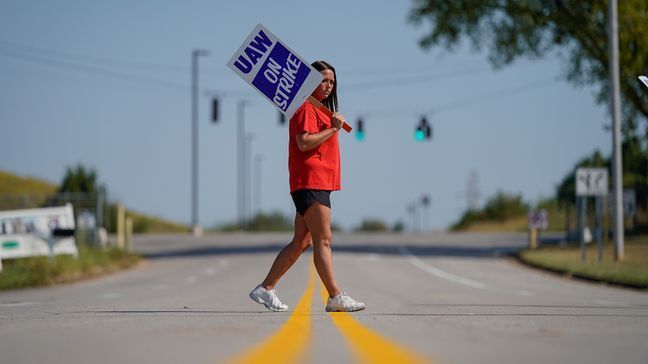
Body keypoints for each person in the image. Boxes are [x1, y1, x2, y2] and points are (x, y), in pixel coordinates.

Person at [249, 60, 365, 313]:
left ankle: (266, 288)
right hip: (311, 180)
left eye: (332, 82)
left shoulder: (320, 110)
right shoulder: (304, 108)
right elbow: (304, 143)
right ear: (310, 81)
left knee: (302, 241)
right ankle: (335, 296)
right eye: (323, 80)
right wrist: (333, 129)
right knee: (324, 240)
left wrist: (331, 125)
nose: (328, 86)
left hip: (316, 181)